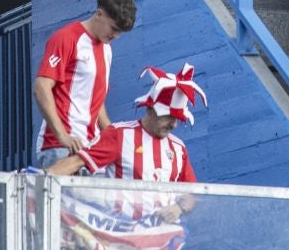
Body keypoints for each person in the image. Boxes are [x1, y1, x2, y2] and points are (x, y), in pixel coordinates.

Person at [45, 65, 205, 219]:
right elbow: (75, 163)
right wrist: (40, 181)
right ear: (150, 110)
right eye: (169, 117)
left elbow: (192, 192)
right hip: (122, 231)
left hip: (164, 234)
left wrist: (178, 208)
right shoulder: (120, 135)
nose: (174, 124)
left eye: (177, 119)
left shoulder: (178, 148)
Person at [33, 0, 137, 167]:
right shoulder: (67, 38)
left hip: (90, 149)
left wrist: (113, 139)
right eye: (114, 28)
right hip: (61, 146)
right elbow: (41, 86)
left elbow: (95, 101)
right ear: (99, 14)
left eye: (120, 32)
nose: (115, 36)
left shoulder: (107, 50)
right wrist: (62, 135)